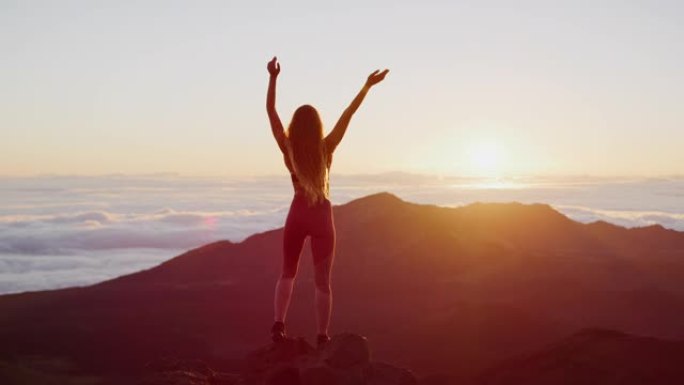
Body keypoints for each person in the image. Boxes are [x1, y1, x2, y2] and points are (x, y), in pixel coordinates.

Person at [266, 56, 389, 347]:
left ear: (296, 126)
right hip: (321, 216)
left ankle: (278, 326)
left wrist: (272, 77)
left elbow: (271, 111)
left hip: (297, 213)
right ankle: (322, 337)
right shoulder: (327, 146)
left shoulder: (288, 148)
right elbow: (349, 113)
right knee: (323, 283)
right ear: (318, 125)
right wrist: (367, 87)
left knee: (288, 273)